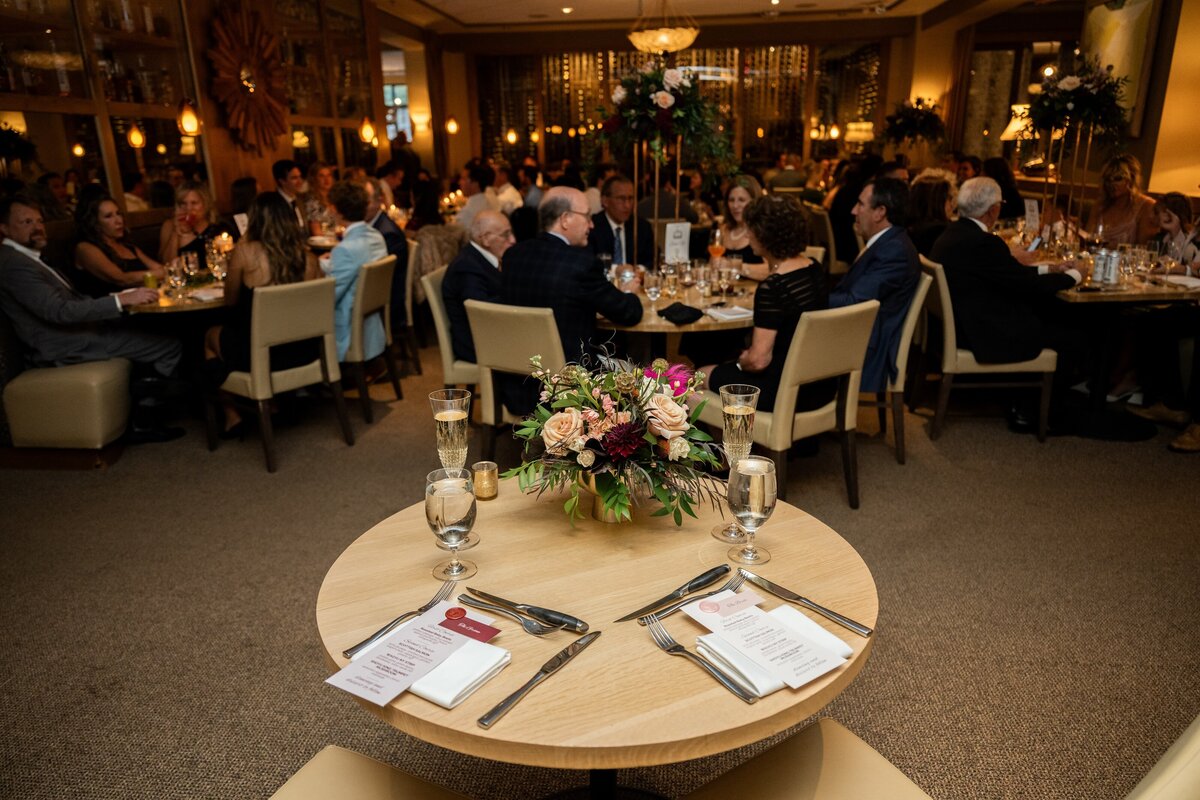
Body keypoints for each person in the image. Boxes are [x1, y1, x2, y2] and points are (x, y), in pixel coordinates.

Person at [0, 196, 183, 441]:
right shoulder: (14, 264)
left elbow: (69, 303)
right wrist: (120, 301)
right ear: (4, 228)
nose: (37, 227)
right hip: (62, 344)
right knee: (169, 345)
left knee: (151, 329)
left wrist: (118, 297)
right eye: (26, 222)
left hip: (76, 332)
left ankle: (141, 403)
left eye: (39, 220)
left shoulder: (28, 257)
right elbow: (59, 311)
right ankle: (144, 421)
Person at [930, 177, 1084, 432]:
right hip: (979, 335)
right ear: (994, 210)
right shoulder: (983, 243)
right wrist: (1075, 276)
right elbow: (1023, 284)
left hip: (956, 326)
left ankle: (1025, 401)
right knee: (1072, 337)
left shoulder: (953, 233)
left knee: (1050, 320)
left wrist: (1052, 269)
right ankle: (1037, 413)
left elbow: (1009, 273)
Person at [500, 186, 643, 413]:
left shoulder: (512, 255)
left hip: (516, 385)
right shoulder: (580, 263)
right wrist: (629, 292)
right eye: (587, 216)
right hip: (568, 388)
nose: (592, 224)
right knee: (637, 371)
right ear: (565, 219)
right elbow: (629, 313)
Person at [204, 193, 321, 437]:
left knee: (208, 336)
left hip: (262, 357)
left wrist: (243, 243)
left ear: (253, 220)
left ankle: (232, 414)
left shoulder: (245, 253)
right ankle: (274, 402)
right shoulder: (309, 258)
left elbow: (230, 301)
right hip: (304, 351)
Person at [699, 194, 831, 409]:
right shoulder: (814, 267)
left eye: (751, 229)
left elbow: (759, 361)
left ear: (765, 235)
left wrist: (742, 361)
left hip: (782, 391)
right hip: (818, 385)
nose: (748, 235)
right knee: (726, 366)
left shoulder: (774, 286)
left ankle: (726, 443)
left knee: (698, 375)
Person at [829, 178, 920, 393]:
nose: (853, 210)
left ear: (880, 212)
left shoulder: (894, 251)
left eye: (860, 204)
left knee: (784, 345)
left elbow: (854, 302)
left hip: (869, 348)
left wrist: (805, 298)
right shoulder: (886, 242)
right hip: (859, 332)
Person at [322, 180, 388, 363]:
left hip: (347, 328)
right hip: (370, 323)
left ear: (335, 210)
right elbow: (355, 266)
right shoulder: (376, 236)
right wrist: (325, 264)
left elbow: (329, 296)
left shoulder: (345, 249)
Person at [442, 210, 514, 363]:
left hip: (491, 335)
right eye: (506, 235)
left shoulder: (482, 258)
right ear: (486, 239)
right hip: (476, 345)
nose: (513, 240)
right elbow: (480, 312)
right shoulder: (467, 266)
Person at [73, 195, 164, 295]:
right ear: (95, 223)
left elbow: (159, 268)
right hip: (110, 308)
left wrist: (170, 269)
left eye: (118, 214)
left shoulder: (128, 247)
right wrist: (161, 273)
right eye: (108, 216)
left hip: (145, 302)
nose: (119, 221)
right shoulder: (85, 248)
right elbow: (121, 279)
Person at [361, 176, 409, 329]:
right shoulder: (375, 225)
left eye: (366, 201)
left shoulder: (387, 233)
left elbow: (374, 279)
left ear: (379, 200)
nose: (360, 207)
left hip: (387, 306)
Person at [1085, 154, 1157, 246]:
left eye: (1118, 178)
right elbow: (1088, 239)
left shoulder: (1147, 206)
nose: (1111, 183)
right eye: (1108, 179)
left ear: (1131, 179)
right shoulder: (1100, 205)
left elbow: (1144, 248)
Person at [587, 175, 653, 271]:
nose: (627, 205)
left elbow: (653, 259)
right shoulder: (592, 227)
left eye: (630, 199)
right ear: (605, 201)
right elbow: (588, 261)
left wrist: (637, 270)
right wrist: (616, 270)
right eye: (621, 199)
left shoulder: (641, 226)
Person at [158, 182, 237, 263]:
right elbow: (167, 264)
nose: (188, 208)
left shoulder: (219, 227)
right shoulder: (169, 226)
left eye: (194, 203)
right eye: (183, 204)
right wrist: (175, 233)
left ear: (205, 204)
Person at [719, 175, 767, 279]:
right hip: (728, 292)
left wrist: (736, 267)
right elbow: (714, 264)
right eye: (731, 200)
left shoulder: (762, 230)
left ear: (754, 202)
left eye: (741, 200)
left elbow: (772, 269)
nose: (735, 206)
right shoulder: (723, 229)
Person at [907, 169, 957, 257]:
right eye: (949, 198)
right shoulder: (938, 231)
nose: (952, 204)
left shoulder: (911, 225)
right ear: (936, 201)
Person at [1147, 192, 1198, 270]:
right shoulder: (1159, 238)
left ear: (1169, 215)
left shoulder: (1193, 242)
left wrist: (1175, 231)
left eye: (1156, 213)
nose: (1151, 216)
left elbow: (1188, 267)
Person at [456, 161, 500, 231]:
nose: (459, 182)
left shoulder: (467, 213)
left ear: (475, 183)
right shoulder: (490, 201)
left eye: (463, 178)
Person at [304, 162, 338, 237]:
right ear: (314, 179)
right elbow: (317, 232)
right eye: (321, 176)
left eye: (329, 175)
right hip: (324, 243)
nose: (326, 179)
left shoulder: (336, 197)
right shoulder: (312, 202)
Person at [272, 159, 306, 229]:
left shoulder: (299, 200)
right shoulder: (274, 205)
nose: (300, 181)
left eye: (300, 177)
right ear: (282, 181)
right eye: (294, 178)